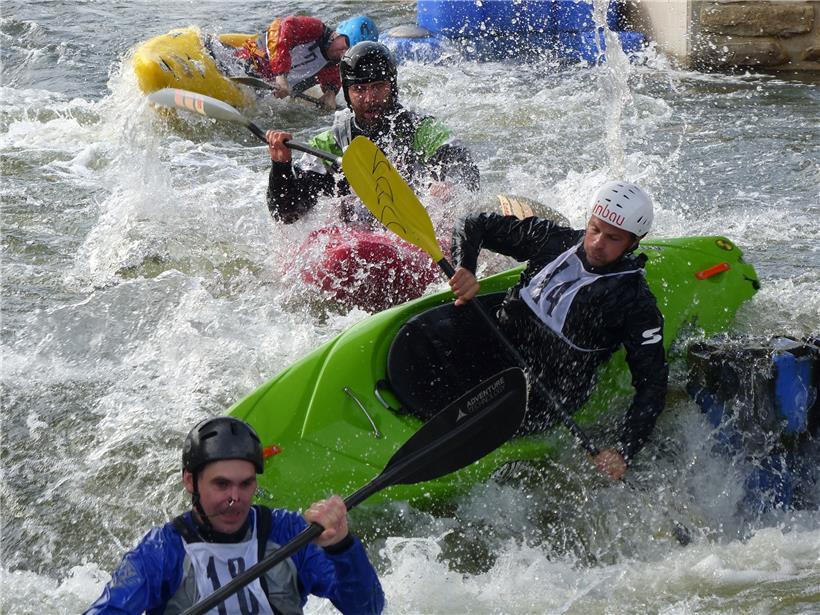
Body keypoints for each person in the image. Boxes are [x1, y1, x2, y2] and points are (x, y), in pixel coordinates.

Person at [447, 181, 668, 481]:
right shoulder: (552, 239)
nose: (597, 243)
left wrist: (624, 450)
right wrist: (466, 268)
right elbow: (473, 224)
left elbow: (652, 384)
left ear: (633, 242)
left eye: (613, 238)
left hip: (547, 392)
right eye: (594, 229)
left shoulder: (634, 303)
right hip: (501, 345)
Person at [85, 417, 385, 614]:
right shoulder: (162, 550)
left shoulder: (289, 533)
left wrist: (342, 546)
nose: (235, 498)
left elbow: (368, 609)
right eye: (221, 484)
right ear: (190, 482)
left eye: (246, 484)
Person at [265, 41, 480, 224]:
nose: (369, 98)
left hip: (414, 229)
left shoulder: (422, 131)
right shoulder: (333, 142)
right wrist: (280, 166)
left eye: (378, 87)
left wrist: (450, 186)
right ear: (347, 93)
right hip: (359, 241)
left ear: (392, 87)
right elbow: (287, 213)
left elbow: (465, 169)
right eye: (359, 89)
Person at [228, 15, 378, 110]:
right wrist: (281, 75)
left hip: (259, 90)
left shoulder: (334, 67)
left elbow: (333, 83)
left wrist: (331, 93)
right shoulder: (314, 29)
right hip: (245, 63)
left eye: (349, 52)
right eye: (345, 44)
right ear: (338, 33)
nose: (343, 53)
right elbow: (285, 27)